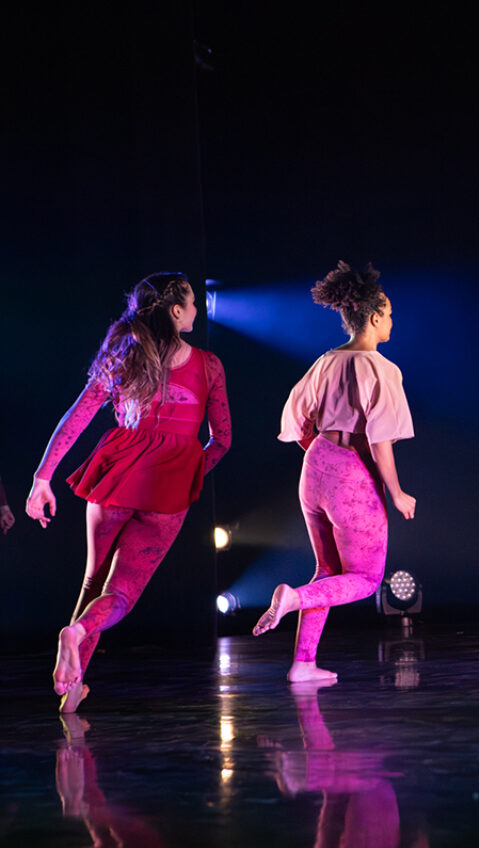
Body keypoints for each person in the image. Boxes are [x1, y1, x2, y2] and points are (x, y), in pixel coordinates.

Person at [27, 273, 231, 713]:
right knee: (119, 594)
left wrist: (42, 478)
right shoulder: (208, 364)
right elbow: (222, 440)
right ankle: (77, 637)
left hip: (115, 471)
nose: (197, 310)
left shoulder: (124, 354)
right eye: (193, 302)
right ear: (177, 312)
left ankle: (71, 690)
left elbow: (77, 416)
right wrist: (191, 471)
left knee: (92, 581)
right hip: (168, 484)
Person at [253, 262, 416, 681]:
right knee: (363, 578)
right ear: (375, 316)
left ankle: (303, 664)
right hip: (350, 475)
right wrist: (396, 493)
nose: (392, 321)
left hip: (316, 465)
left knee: (328, 570)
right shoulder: (382, 368)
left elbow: (297, 416)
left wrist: (323, 455)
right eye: (390, 314)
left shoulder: (325, 361)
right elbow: (380, 439)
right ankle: (291, 600)